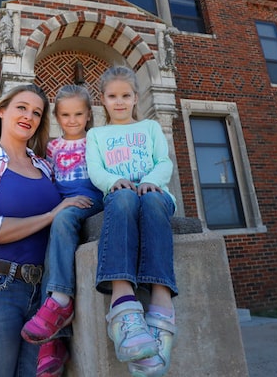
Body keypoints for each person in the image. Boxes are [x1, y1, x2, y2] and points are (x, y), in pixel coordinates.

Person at [0, 83, 91, 377]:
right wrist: (51, 214)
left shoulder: (47, 167)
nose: (29, 116)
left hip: (43, 296)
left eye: (37, 113)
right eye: (22, 108)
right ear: (2, 111)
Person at [85, 66, 178, 377]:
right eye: (113, 96)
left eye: (126, 95)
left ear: (136, 97)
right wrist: (115, 181)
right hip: (121, 196)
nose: (120, 101)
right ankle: (123, 308)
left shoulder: (150, 127)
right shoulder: (96, 135)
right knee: (123, 197)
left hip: (154, 195)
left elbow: (163, 161)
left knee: (151, 199)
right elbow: (96, 171)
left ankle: (161, 307)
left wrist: (151, 180)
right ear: (103, 100)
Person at [20, 85, 104, 377]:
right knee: (49, 246)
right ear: (56, 117)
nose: (72, 120)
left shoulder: (96, 139)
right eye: (65, 115)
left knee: (65, 219)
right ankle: (53, 343)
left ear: (89, 115)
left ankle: (60, 301)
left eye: (78, 114)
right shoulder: (52, 147)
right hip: (63, 200)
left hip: (90, 197)